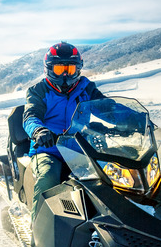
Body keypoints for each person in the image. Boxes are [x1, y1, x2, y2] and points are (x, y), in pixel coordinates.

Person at [23, 42, 105, 219]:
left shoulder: (86, 89)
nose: (66, 75)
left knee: (108, 177)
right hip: (47, 149)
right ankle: (37, 228)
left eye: (71, 69)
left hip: (80, 148)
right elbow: (30, 116)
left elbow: (107, 109)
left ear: (79, 69)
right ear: (49, 70)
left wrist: (130, 120)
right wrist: (39, 131)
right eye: (60, 70)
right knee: (48, 177)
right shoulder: (39, 91)